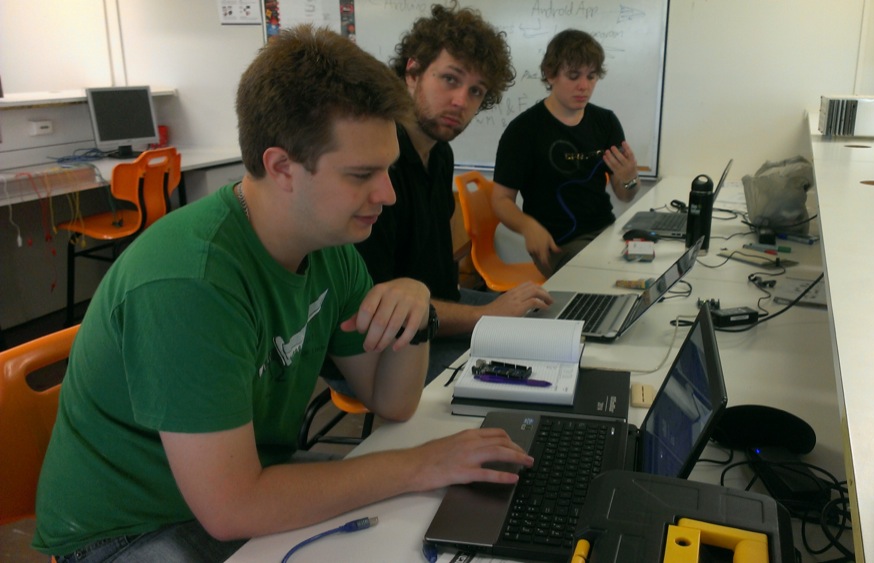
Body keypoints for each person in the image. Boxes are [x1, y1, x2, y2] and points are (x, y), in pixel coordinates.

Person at [32, 25, 532, 562]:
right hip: (129, 530)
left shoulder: (329, 247)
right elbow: (233, 510)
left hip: (243, 488)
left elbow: (393, 399)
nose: (386, 194)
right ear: (281, 167)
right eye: (362, 173)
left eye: (387, 169)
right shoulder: (192, 282)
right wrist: (421, 463)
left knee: (434, 514)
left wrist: (416, 306)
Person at [353, 2, 553, 383]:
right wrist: (486, 315)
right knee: (528, 375)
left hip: (439, 311)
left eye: (476, 91)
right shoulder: (376, 165)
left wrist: (488, 312)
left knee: (547, 322)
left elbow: (439, 282)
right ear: (412, 72)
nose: (462, 101)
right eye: (450, 79)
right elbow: (375, 311)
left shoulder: (440, 153)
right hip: (385, 344)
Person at [492, 29, 641, 277]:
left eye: (591, 77)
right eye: (573, 76)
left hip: (606, 233)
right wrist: (528, 227)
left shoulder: (606, 122)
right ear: (550, 75)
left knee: (647, 269)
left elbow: (624, 195)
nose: (584, 86)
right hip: (558, 245)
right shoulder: (524, 130)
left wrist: (630, 178)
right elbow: (500, 200)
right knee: (605, 280)